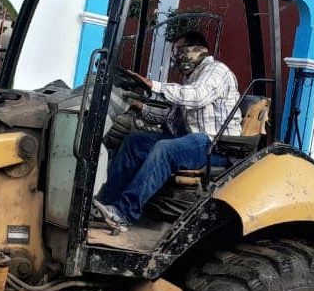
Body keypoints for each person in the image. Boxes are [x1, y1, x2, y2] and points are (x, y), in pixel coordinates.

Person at [94, 31, 241, 232]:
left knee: (165, 148)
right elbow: (172, 116)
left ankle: (123, 214)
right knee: (135, 141)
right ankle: (106, 203)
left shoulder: (217, 71)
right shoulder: (192, 78)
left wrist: (154, 85)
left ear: (197, 50)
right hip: (192, 141)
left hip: (215, 145)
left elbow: (196, 97)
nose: (176, 57)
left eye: (180, 51)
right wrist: (140, 106)